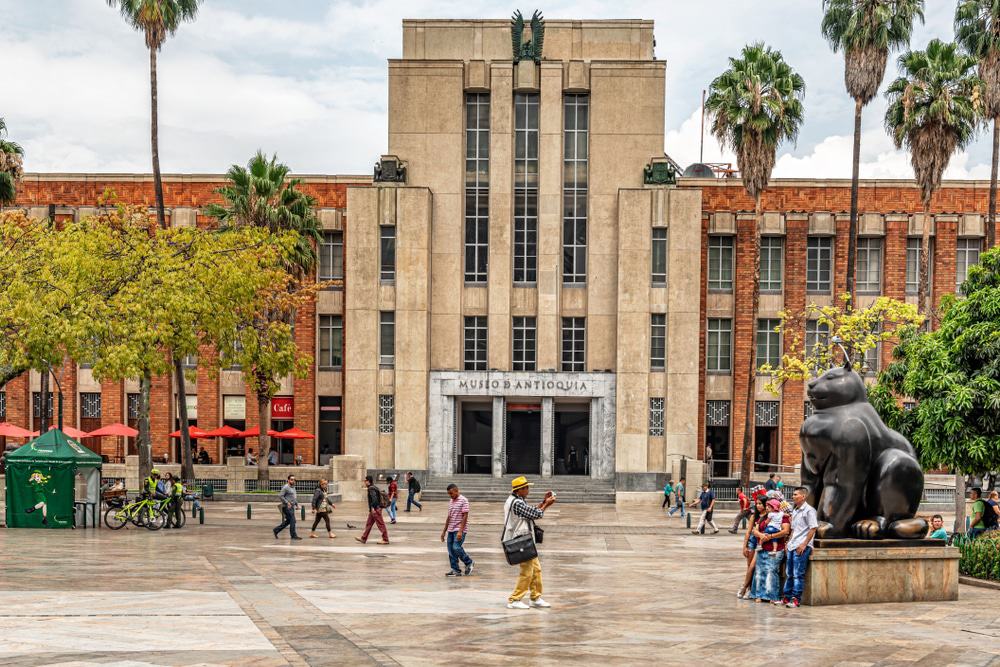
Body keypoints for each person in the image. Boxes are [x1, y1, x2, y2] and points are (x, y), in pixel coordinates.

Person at [504, 476, 555, 609]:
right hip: (521, 540)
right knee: (527, 571)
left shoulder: (518, 500)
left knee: (536, 570)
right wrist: (547, 505)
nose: (528, 490)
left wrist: (543, 502)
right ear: (519, 490)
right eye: (526, 488)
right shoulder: (517, 503)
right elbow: (537, 514)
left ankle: (535, 597)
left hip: (525, 540)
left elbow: (532, 512)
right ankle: (514, 599)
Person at [781, 487, 819, 608]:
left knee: (798, 574)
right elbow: (794, 529)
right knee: (789, 573)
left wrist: (804, 544)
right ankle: (786, 598)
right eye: (793, 494)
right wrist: (788, 542)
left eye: (795, 494)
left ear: (803, 496)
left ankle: (796, 599)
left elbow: (813, 528)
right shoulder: (796, 510)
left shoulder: (809, 510)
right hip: (793, 545)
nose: (793, 496)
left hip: (801, 546)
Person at [750, 499, 790, 603]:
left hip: (775, 549)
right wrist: (761, 535)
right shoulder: (763, 517)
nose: (767, 508)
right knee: (759, 571)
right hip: (762, 548)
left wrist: (771, 536)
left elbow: (785, 531)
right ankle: (758, 594)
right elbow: (755, 530)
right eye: (767, 506)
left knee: (771, 571)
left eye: (769, 506)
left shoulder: (783, 517)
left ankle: (771, 595)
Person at [441, 483, 474, 577]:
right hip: (450, 530)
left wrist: (460, 531)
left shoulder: (464, 500)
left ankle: (469, 562)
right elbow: (449, 517)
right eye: (449, 494)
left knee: (456, 547)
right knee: (451, 550)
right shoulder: (451, 501)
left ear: (456, 490)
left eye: (451, 493)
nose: (450, 496)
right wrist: (444, 532)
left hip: (459, 529)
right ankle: (455, 569)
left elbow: (465, 516)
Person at [738, 497, 767, 599]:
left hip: (761, 543)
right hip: (752, 542)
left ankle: (745, 587)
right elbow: (748, 532)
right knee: (749, 566)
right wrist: (744, 546)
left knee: (753, 567)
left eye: (761, 504)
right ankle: (749, 588)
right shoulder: (754, 516)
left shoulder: (769, 516)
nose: (758, 505)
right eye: (757, 503)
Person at [356, 475, 390, 544]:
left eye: (365, 481)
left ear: (368, 481)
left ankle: (385, 539)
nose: (364, 482)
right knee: (368, 524)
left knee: (381, 524)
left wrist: (373, 508)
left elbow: (374, 499)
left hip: (375, 509)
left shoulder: (371, 488)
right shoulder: (374, 487)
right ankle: (363, 538)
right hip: (374, 510)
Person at [273, 474, 302, 540]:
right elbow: (280, 496)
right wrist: (287, 502)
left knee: (289, 521)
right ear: (288, 480)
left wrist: (297, 504)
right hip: (286, 507)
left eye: (294, 480)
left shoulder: (293, 487)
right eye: (291, 480)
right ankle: (293, 536)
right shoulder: (285, 487)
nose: (293, 481)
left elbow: (293, 497)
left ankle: (276, 530)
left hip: (291, 507)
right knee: (293, 520)